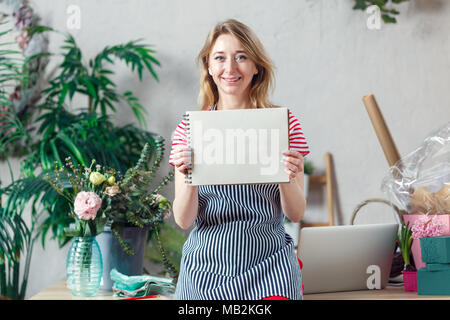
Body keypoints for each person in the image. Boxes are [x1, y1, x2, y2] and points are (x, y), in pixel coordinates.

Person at [168, 19, 310, 300]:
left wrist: (287, 177)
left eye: (241, 57)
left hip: (270, 269)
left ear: (256, 66)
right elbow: (183, 220)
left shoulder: (284, 124)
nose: (230, 68)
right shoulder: (189, 130)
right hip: (204, 272)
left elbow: (295, 213)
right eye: (220, 58)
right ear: (209, 67)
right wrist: (188, 176)